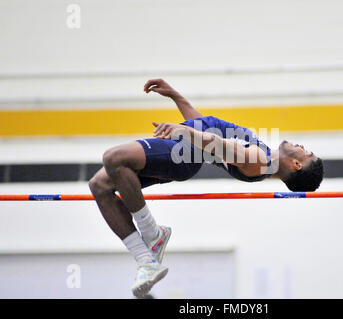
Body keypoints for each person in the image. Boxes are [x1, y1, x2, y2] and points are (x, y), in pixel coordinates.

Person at [88, 79, 324, 298]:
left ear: (296, 164)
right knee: (99, 185)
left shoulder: (260, 162)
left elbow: (222, 146)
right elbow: (208, 128)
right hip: (183, 149)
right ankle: (146, 256)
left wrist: (185, 132)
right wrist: (176, 97)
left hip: (180, 154)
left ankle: (151, 237)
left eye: (307, 153)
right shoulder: (262, 152)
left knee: (114, 157)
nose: (303, 147)